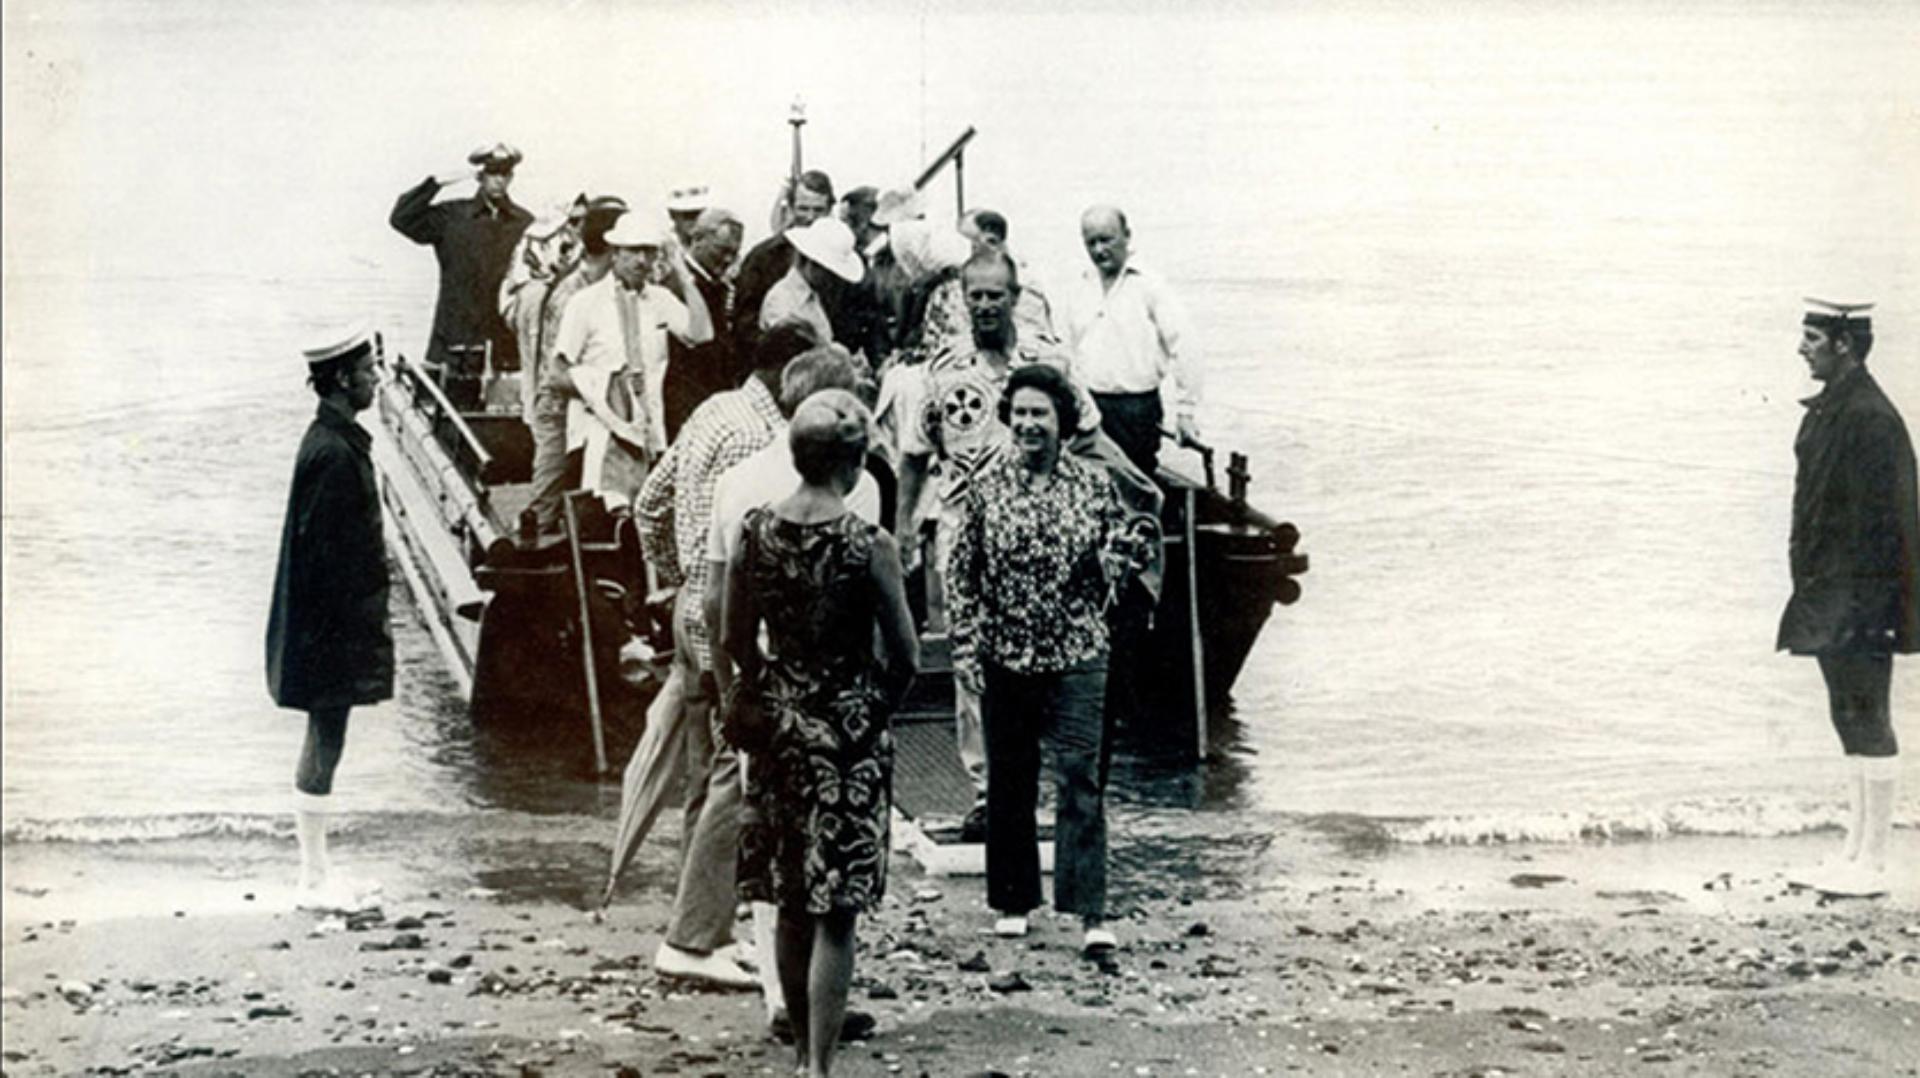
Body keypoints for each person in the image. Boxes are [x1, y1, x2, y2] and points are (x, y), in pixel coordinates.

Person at [721, 389, 919, 1078]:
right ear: (855, 464)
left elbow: (733, 637)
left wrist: (762, 687)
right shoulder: (869, 544)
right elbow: (906, 654)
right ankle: (819, 1066)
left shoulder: (755, 531)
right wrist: (873, 708)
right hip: (848, 730)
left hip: (780, 723)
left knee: (788, 894)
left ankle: (799, 1047)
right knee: (838, 905)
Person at [885, 250, 1115, 840]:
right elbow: (914, 455)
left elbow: (1089, 436)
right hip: (968, 534)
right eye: (975, 295)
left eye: (995, 295)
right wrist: (905, 525)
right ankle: (990, 792)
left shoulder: (1050, 362)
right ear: (964, 298)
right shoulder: (943, 370)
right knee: (972, 662)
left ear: (1015, 296)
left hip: (1049, 537)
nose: (985, 305)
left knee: (1054, 661)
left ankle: (1049, 790)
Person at [628, 323, 822, 989]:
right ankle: (694, 935)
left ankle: (704, 920)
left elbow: (648, 503)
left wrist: (668, 578)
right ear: (788, 376)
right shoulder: (765, 442)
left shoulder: (713, 409)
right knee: (732, 775)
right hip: (727, 615)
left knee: (701, 773)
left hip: (688, 606)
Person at [946, 364, 1156, 953]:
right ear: (1008, 418)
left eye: (1042, 413)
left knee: (1081, 779)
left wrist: (1126, 556)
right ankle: (1014, 900)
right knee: (1011, 782)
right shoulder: (987, 486)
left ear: (1063, 423)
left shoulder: (1093, 485)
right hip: (1005, 652)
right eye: (1021, 413)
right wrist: (966, 645)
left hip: (1079, 651)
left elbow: (1118, 558)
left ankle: (1090, 911)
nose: (1030, 423)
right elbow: (962, 574)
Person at [1778, 297, 1918, 897]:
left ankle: (1876, 863)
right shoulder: (1835, 409)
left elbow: (1895, 521)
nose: (1802, 347)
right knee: (1847, 717)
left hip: (1862, 595)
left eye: (1812, 338)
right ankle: (1854, 853)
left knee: (1868, 717)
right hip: (1832, 590)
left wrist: (1884, 608)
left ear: (1843, 344)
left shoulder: (1870, 417)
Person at [265, 328, 392, 906]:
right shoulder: (332, 452)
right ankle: (312, 879)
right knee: (325, 736)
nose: (375, 379)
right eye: (368, 371)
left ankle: (315, 873)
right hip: (328, 626)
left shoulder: (332, 441)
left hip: (328, 623)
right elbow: (320, 553)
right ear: (342, 379)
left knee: (329, 736)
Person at [553, 214, 710, 506]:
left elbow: (701, 335)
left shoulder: (659, 299)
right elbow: (558, 373)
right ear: (615, 253)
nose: (642, 260)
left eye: (648, 251)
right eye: (634, 251)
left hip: (649, 433)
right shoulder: (585, 303)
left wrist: (683, 275)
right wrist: (610, 385)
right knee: (605, 524)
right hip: (599, 434)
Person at [389, 143, 534, 409]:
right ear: (479, 176)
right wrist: (435, 183)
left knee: (503, 419)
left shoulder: (524, 223)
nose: (499, 180)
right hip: (454, 339)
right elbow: (401, 219)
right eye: (492, 173)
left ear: (511, 177)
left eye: (505, 174)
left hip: (504, 343)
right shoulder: (451, 217)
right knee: (449, 418)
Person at [1067, 205, 1201, 475]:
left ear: (1127, 235)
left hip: (1136, 410)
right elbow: (1073, 349)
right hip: (1089, 405)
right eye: (1090, 242)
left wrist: (1185, 411)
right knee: (1089, 482)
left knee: (1136, 484)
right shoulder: (1082, 285)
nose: (1099, 250)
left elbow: (1185, 346)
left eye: (1107, 239)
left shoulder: (1150, 285)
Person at [525, 195, 627, 532]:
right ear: (614, 249)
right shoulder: (573, 294)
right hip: (559, 410)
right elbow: (556, 374)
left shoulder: (607, 289)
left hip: (593, 409)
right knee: (548, 500)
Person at [663, 208, 745, 442]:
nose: (728, 260)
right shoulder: (677, 287)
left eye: (734, 253)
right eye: (722, 250)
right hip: (688, 410)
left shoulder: (717, 285)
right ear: (697, 240)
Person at [734, 170, 835, 351]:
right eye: (803, 208)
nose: (810, 217)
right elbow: (745, 324)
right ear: (790, 208)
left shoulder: (840, 257)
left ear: (829, 210)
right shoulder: (763, 257)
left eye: (818, 210)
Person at [760, 217, 866, 352]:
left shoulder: (816, 296)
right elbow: (789, 355)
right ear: (808, 262)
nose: (831, 279)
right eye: (827, 271)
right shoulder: (782, 301)